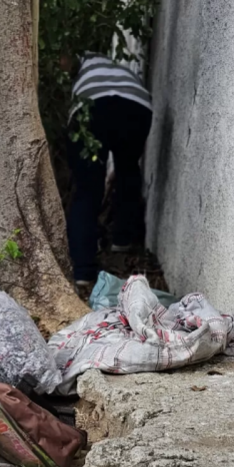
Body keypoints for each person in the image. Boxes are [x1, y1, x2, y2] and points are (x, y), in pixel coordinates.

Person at [61, 52, 153, 290]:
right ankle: (122, 240)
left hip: (93, 106)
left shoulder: (80, 66)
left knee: (87, 187)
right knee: (128, 169)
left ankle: (82, 270)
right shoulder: (114, 66)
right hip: (137, 106)